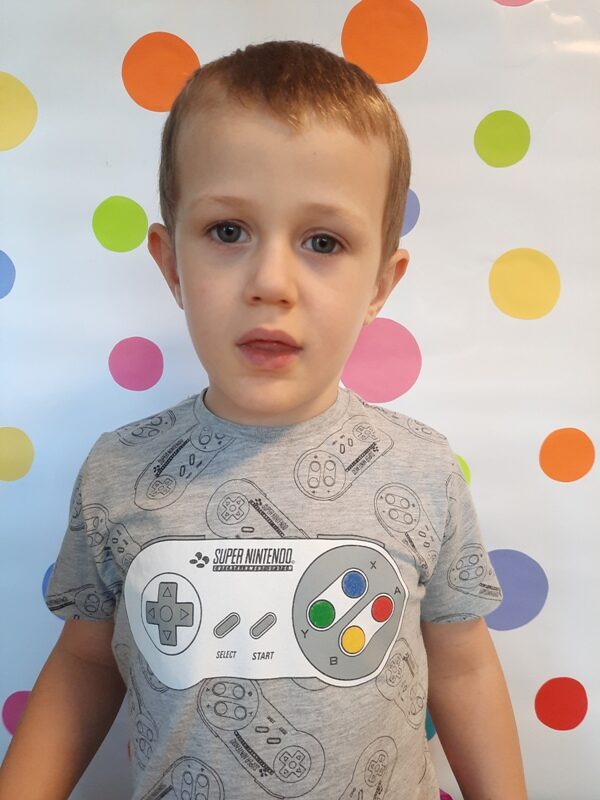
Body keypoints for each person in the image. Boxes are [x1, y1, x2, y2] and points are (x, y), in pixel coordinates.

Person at [0, 40, 527, 800]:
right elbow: (85, 662)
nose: (271, 282)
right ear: (171, 264)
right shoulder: (120, 473)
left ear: (381, 284)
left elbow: (464, 665)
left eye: (323, 242)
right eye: (228, 231)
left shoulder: (424, 472)